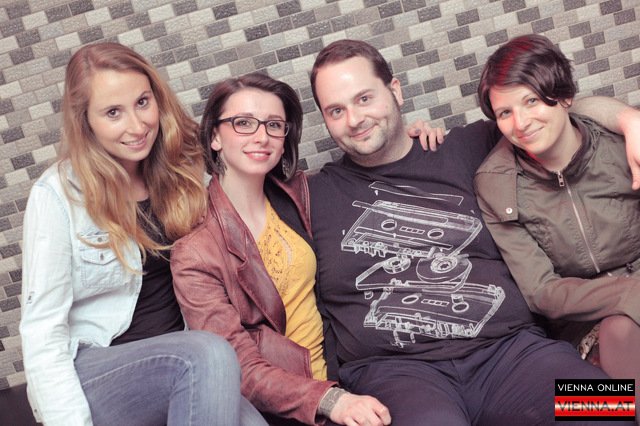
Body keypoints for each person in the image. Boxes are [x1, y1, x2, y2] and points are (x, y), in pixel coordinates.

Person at [307, 38, 639, 425]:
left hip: (514, 355)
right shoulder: (308, 197)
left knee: (610, 408)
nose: (354, 119)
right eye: (336, 110)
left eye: (364, 99)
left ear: (394, 91)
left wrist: (630, 120)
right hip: (398, 375)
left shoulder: (469, 147)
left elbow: (551, 112)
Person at [20, 42, 266, 426]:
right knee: (209, 353)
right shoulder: (57, 195)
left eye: (142, 102)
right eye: (113, 113)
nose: (136, 126)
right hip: (98, 371)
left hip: (183, 363)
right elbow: (42, 330)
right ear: (85, 122)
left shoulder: (182, 170)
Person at [170, 72, 392, 426]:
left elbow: (371, 175)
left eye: (274, 125)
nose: (262, 137)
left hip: (351, 376)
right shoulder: (196, 253)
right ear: (214, 136)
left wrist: (414, 137)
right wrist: (328, 399)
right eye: (244, 123)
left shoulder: (302, 194)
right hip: (288, 407)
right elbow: (235, 365)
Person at [473, 34, 640, 401]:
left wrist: (630, 119)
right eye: (505, 113)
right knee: (577, 403)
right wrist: (630, 293)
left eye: (531, 101)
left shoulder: (621, 143)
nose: (520, 123)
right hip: (580, 326)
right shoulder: (496, 183)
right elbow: (542, 293)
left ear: (564, 96)